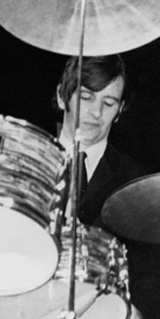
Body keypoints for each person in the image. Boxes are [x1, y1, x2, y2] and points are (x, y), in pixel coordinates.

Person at [53, 55, 146, 226]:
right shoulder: (28, 161)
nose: (97, 112)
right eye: (86, 97)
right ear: (61, 97)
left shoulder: (136, 182)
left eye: (109, 103)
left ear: (119, 111)